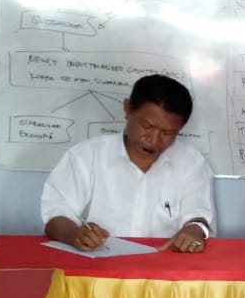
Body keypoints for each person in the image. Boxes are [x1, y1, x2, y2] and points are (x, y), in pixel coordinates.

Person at [41, 74, 215, 253]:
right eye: (146, 126)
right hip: (99, 263)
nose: (153, 140)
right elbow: (56, 215)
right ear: (127, 109)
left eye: (167, 133)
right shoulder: (87, 155)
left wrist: (193, 231)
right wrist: (75, 234)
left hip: (163, 263)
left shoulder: (190, 161)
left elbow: (198, 217)